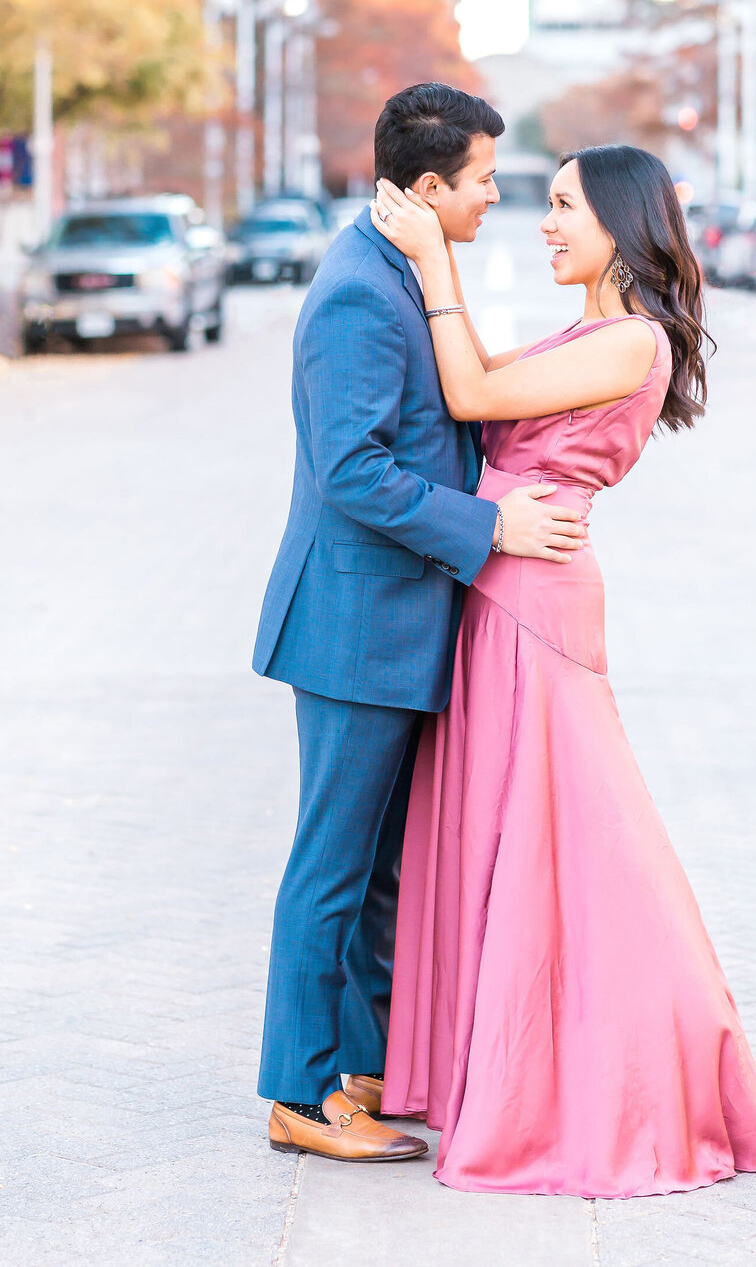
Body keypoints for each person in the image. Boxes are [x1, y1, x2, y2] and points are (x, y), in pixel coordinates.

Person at [372, 144, 756, 1198]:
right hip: (506, 585)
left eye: (563, 206)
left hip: (536, 603)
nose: (546, 224)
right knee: (515, 837)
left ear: (619, 217)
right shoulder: (586, 331)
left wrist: (434, 257)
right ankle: (511, 1072)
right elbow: (471, 381)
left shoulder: (631, 344)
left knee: (574, 846)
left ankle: (637, 1073)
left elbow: (470, 390)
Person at [254, 83, 590, 1164]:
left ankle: (364, 1070)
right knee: (333, 867)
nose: (499, 195)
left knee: (381, 869)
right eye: (486, 180)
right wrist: (490, 526)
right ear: (432, 184)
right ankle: (300, 1097)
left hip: (399, 621)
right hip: (355, 625)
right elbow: (354, 472)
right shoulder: (360, 290)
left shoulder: (406, 270)